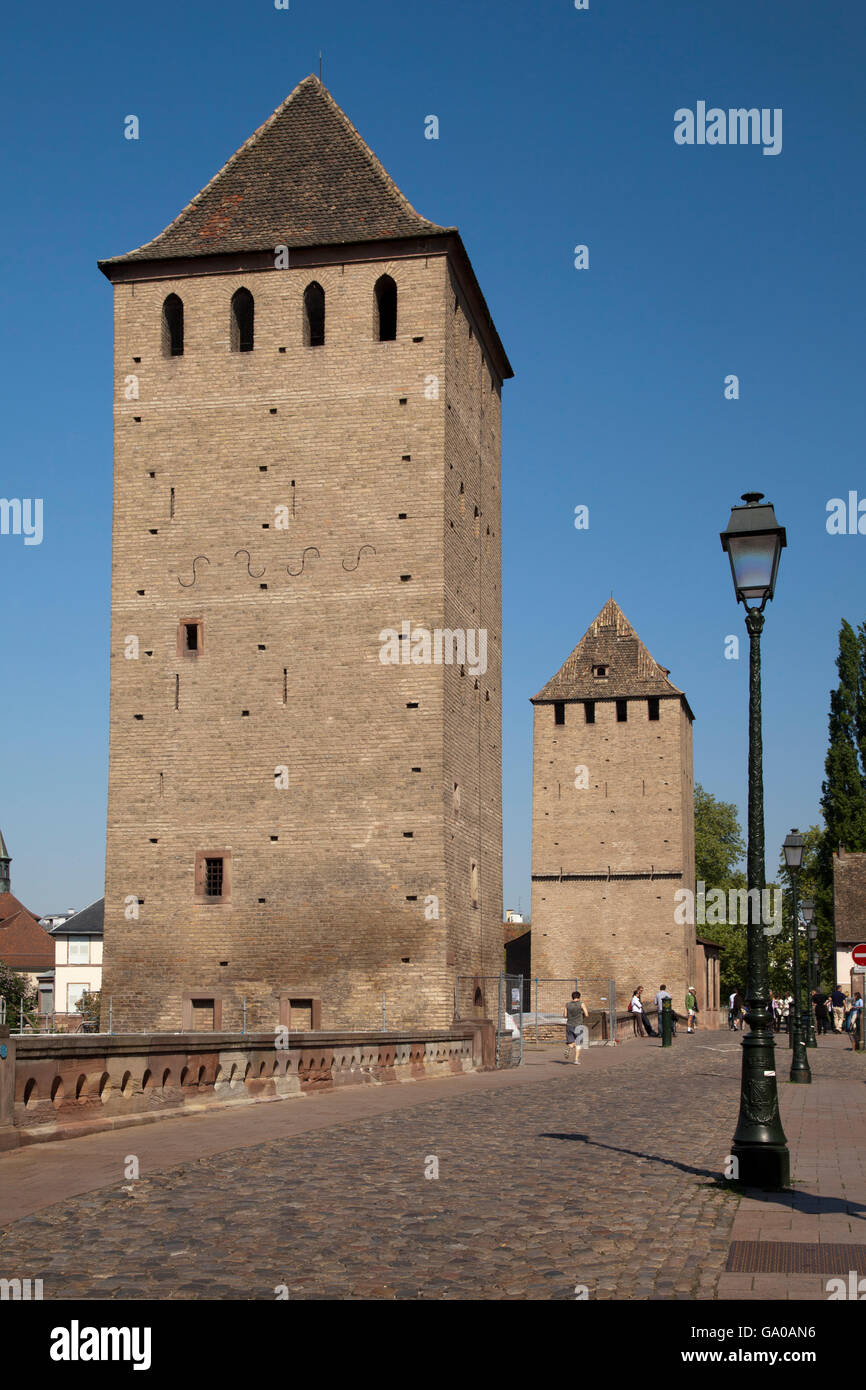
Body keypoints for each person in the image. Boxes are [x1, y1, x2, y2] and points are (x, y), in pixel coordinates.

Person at [563, 990, 588, 1063]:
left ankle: (569, 1047)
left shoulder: (567, 1004)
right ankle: (576, 1059)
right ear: (579, 997)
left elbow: (564, 1015)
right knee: (578, 1043)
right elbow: (586, 1014)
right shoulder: (581, 1004)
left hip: (569, 1025)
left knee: (571, 1042)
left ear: (572, 997)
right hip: (578, 1025)